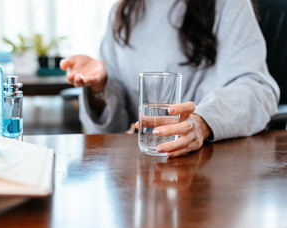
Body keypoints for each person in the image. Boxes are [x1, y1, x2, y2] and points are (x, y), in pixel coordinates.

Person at [60, 0, 280, 157]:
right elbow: (114, 130)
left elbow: (257, 88)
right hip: (140, 168)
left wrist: (201, 123)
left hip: (210, 167)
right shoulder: (123, 12)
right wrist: (101, 87)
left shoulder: (227, 5)